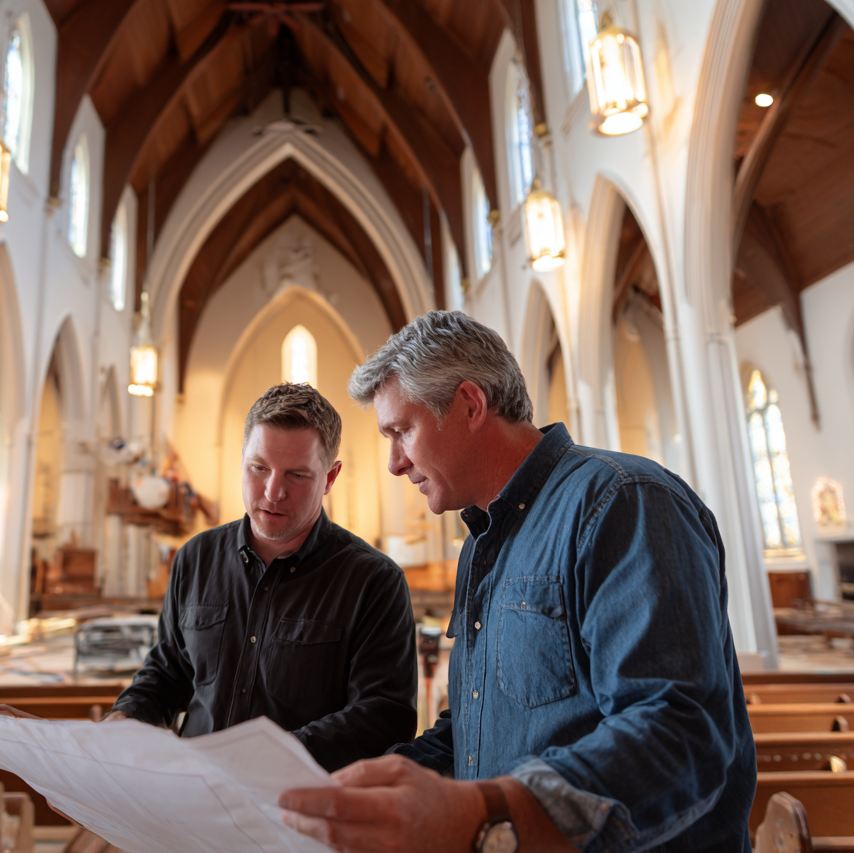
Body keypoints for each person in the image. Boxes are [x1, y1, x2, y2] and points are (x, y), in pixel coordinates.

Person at [279, 311, 757, 853]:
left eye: (402, 430)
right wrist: (349, 792)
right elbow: (475, 732)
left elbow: (679, 733)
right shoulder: (484, 542)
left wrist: (485, 814)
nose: (394, 463)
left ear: (470, 405)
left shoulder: (622, 501)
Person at [105, 382, 417, 771]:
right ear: (242, 461)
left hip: (301, 811)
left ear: (330, 478)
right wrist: (125, 718)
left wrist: (263, 759)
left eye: (297, 475)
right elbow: (168, 673)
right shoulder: (194, 559)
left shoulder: (374, 582)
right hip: (193, 798)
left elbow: (383, 716)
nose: (273, 492)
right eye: (259, 468)